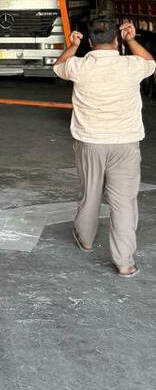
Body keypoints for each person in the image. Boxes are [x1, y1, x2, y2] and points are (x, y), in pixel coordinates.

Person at [54, 17, 155, 277]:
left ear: (89, 42)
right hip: (125, 144)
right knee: (124, 203)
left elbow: (58, 65)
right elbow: (151, 62)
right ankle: (125, 262)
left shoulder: (79, 66)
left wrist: (72, 46)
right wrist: (132, 40)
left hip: (90, 143)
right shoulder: (131, 65)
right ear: (117, 39)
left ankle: (85, 240)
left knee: (90, 194)